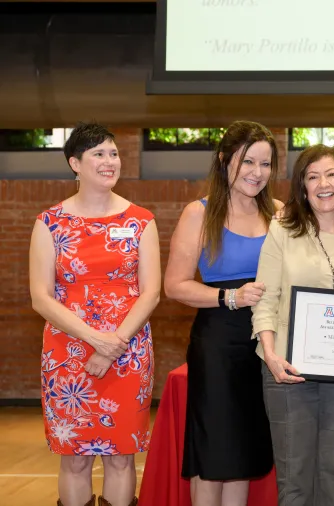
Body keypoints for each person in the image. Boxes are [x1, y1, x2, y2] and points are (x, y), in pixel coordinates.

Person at [29, 123, 161, 506]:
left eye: (114, 153)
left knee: (122, 457)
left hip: (128, 351)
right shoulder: (49, 223)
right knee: (75, 459)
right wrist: (94, 340)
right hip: (68, 354)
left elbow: (151, 292)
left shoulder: (141, 220)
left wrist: (112, 345)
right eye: (98, 154)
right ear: (75, 163)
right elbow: (40, 297)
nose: (110, 161)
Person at [163, 120, 281, 505]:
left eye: (265, 164)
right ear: (224, 160)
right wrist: (230, 297)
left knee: (243, 454)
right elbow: (175, 285)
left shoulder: (280, 213)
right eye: (248, 162)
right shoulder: (199, 213)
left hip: (266, 345)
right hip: (217, 345)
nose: (257, 173)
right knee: (215, 453)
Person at [252, 144, 334, 506]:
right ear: (302, 187)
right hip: (287, 370)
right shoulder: (282, 231)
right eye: (312, 176)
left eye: (331, 174)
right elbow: (265, 298)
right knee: (294, 480)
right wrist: (271, 356)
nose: (323, 183)